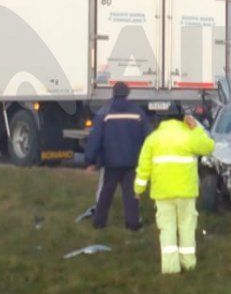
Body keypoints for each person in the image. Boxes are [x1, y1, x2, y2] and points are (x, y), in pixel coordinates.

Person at [134, 102, 216, 275]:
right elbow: (209, 147)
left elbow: (143, 167)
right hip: (186, 192)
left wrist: (138, 189)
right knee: (187, 227)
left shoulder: (153, 139)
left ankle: (170, 268)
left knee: (167, 229)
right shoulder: (189, 135)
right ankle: (189, 264)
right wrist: (196, 129)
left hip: (162, 193)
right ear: (182, 118)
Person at [83, 82, 152, 231]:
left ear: (113, 93)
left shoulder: (104, 112)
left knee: (106, 192)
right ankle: (133, 224)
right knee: (131, 194)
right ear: (128, 93)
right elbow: (149, 136)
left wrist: (90, 160)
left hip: (111, 161)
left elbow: (95, 137)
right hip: (131, 161)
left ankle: (99, 222)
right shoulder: (138, 112)